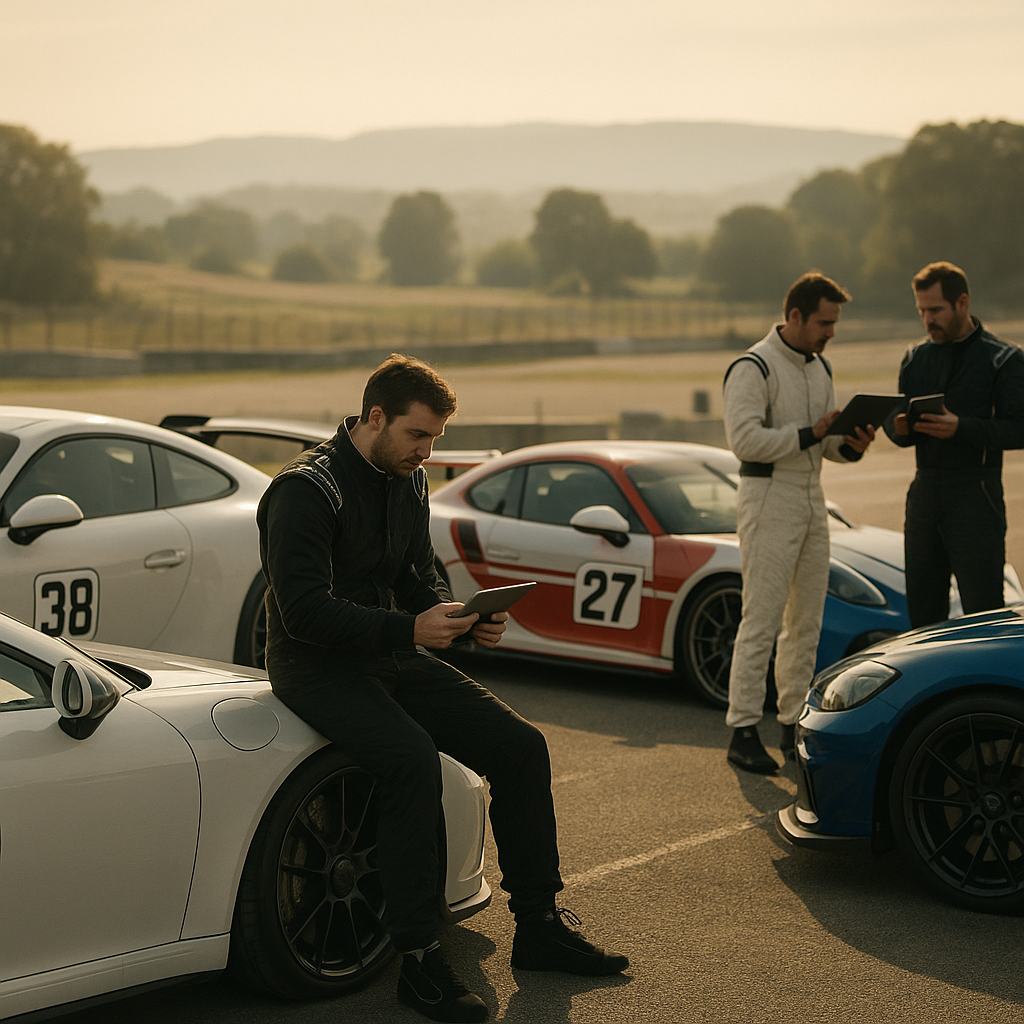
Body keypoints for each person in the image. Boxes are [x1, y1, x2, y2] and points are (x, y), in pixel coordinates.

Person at [256, 353, 627, 1024]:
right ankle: (419, 959)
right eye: (417, 436)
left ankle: (540, 925)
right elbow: (302, 613)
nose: (426, 453)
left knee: (521, 745)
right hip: (315, 665)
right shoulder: (304, 491)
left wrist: (463, 616)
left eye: (434, 440)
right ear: (375, 417)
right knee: (409, 760)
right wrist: (409, 628)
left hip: (392, 651)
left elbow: (417, 575)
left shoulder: (407, 479)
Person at [721, 273, 874, 774]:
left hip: (812, 497)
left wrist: (851, 443)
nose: (831, 331)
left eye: (834, 323)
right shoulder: (754, 366)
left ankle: (790, 725)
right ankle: (743, 729)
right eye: (824, 322)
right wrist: (813, 432)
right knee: (761, 616)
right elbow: (744, 442)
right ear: (795, 317)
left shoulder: (818, 365)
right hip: (767, 497)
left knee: (806, 620)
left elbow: (825, 445)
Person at [883, 262, 1024, 628]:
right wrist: (897, 429)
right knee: (923, 612)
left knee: (983, 613)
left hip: (975, 492)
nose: (927, 319)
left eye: (935, 310)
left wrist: (960, 427)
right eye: (921, 311)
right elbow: (901, 422)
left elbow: (1020, 428)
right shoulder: (916, 357)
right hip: (924, 492)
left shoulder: (1003, 359)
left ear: (962, 303)